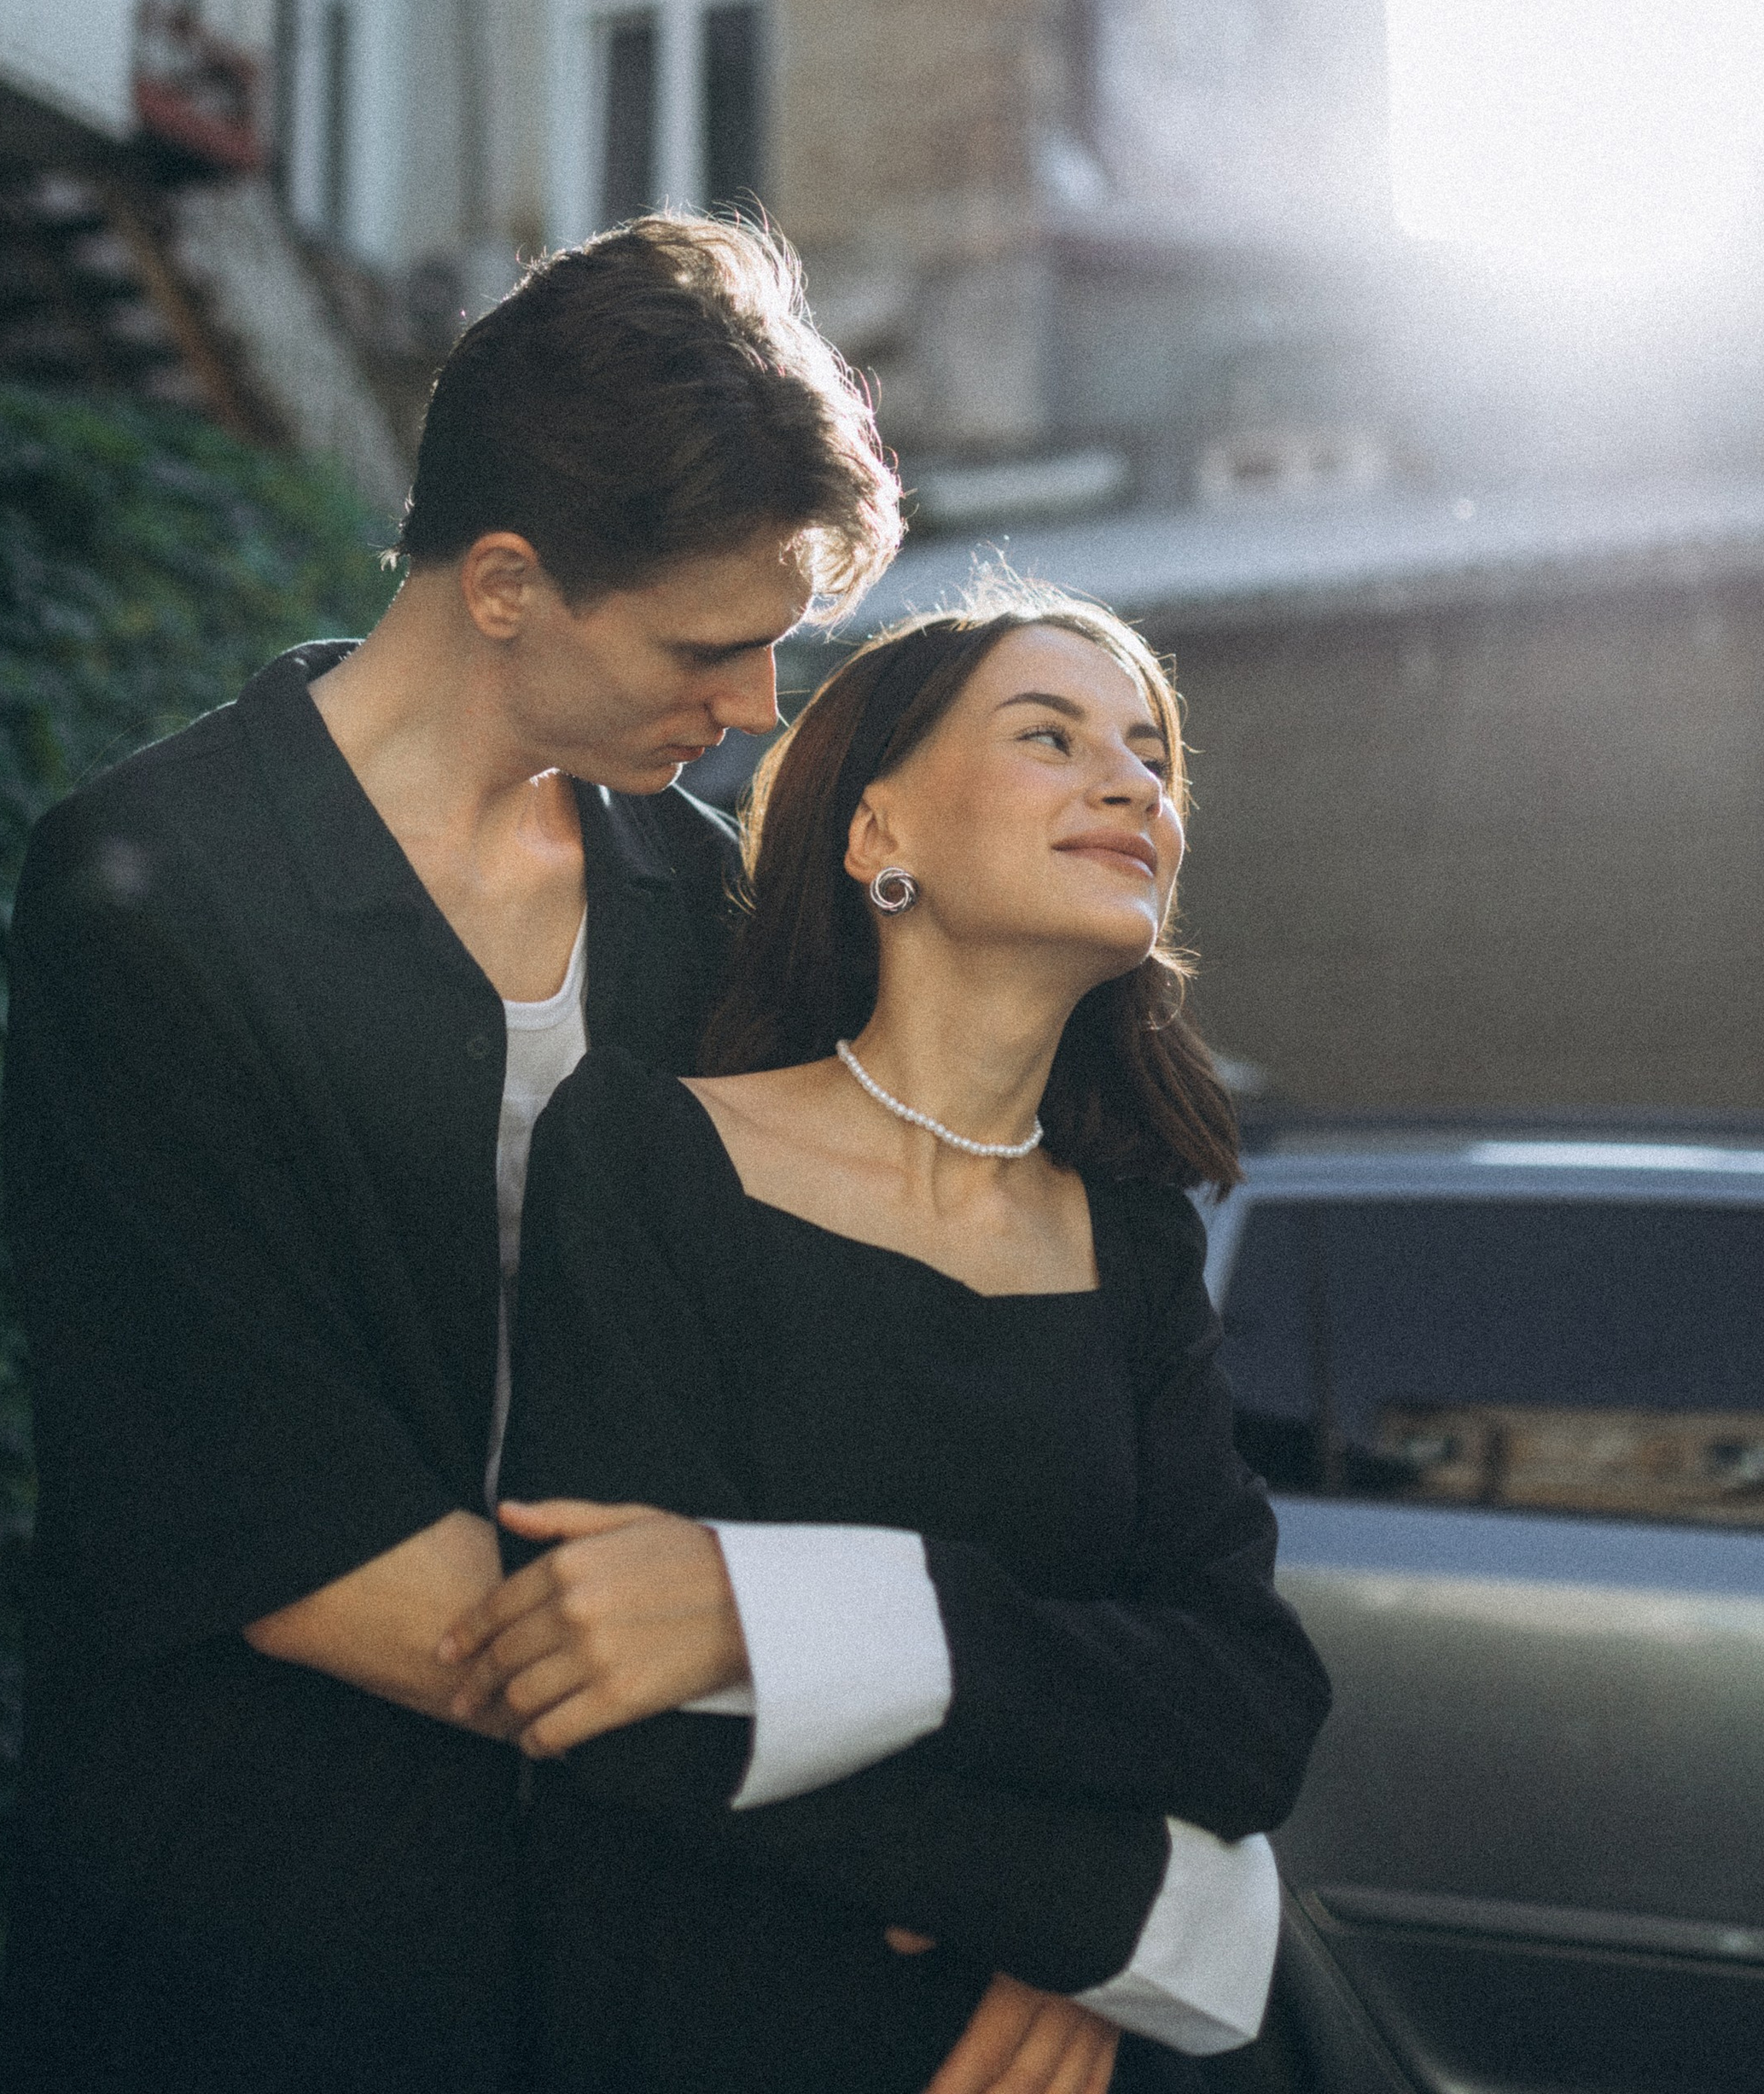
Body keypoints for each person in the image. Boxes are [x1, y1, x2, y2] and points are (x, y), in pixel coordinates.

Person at [0, 220, 1261, 2094]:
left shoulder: (706, 900)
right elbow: (286, 1535)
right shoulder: (160, 893)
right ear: (506, 583)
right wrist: (1044, 1881)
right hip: (280, 1935)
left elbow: (937, 1435)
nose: (758, 708)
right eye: (711, 646)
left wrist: (1083, 1916)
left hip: (689, 1958)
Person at [454, 590, 1334, 2092]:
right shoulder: (652, 1152)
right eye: (1049, 738)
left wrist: (838, 1619)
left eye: (1151, 759)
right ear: (878, 840)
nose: (1132, 786)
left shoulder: (1133, 1240)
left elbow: (1250, 1711)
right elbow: (619, 1698)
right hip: (715, 2020)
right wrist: (1104, 1912)